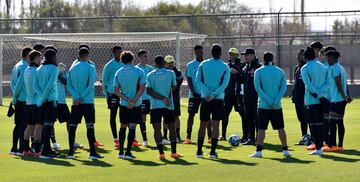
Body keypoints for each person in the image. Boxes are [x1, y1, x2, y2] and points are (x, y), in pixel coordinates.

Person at [249, 52, 291, 158]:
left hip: (263, 105)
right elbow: (283, 88)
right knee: (280, 128)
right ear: (273, 59)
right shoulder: (280, 71)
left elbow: (258, 89)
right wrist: (275, 101)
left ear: (263, 59)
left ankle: (259, 151)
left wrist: (269, 101)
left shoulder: (259, 71)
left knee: (261, 129)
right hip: (276, 105)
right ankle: (285, 150)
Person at [67, 48, 103, 159]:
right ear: (87, 55)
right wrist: (81, 97)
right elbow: (90, 85)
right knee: (90, 126)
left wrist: (76, 97)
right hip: (87, 101)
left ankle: (71, 153)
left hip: (76, 102)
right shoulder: (90, 67)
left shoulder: (72, 68)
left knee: (73, 126)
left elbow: (69, 86)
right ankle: (92, 152)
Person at [195, 44, 230, 159]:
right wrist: (214, 94)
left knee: (203, 124)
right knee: (215, 125)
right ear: (220, 53)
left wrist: (207, 92)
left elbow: (198, 81)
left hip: (205, 98)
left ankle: (199, 152)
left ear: (210, 52)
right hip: (217, 99)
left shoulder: (203, 64)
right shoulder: (225, 66)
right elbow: (224, 84)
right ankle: (212, 152)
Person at [146, 55, 183, 159]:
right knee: (172, 128)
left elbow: (148, 91)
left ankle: (161, 154)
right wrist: (166, 95)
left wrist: (161, 98)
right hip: (168, 105)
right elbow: (175, 86)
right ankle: (174, 153)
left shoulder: (150, 75)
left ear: (155, 64)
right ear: (164, 63)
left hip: (155, 106)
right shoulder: (171, 73)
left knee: (157, 129)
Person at [113, 51, 146, 159]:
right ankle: (128, 152)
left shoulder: (118, 72)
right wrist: (133, 100)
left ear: (122, 60)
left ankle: (121, 152)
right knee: (132, 127)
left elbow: (116, 91)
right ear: (132, 59)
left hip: (123, 104)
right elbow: (142, 88)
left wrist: (127, 100)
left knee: (123, 126)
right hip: (136, 104)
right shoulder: (139, 71)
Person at [301, 47, 330, 156]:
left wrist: (317, 94)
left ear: (305, 56)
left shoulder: (304, 68)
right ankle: (320, 146)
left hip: (311, 100)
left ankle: (318, 148)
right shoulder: (323, 67)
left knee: (314, 125)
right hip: (323, 99)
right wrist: (321, 95)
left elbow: (308, 85)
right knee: (321, 123)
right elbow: (328, 83)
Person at [33, 49, 60, 159]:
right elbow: (50, 85)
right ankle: (45, 152)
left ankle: (47, 149)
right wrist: (44, 97)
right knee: (48, 125)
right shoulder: (54, 68)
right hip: (50, 100)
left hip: (42, 101)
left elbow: (35, 86)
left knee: (45, 125)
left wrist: (41, 98)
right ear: (52, 57)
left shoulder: (39, 68)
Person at [323, 49, 352, 152]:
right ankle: (340, 146)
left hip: (336, 100)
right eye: (327, 58)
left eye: (330, 58)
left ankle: (332, 146)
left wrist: (344, 96)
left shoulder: (334, 68)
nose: (328, 60)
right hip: (341, 100)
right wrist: (346, 97)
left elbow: (338, 83)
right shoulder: (341, 68)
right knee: (340, 122)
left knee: (332, 122)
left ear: (335, 58)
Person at [183, 45, 212, 144]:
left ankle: (210, 137)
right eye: (197, 52)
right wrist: (194, 92)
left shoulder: (207, 64)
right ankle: (188, 137)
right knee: (191, 115)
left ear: (203, 52)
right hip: (193, 95)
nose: (199, 54)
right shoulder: (190, 65)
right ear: (194, 53)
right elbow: (189, 80)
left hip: (205, 95)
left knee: (207, 116)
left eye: (200, 52)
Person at [9, 47, 32, 156]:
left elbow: (12, 82)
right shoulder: (24, 66)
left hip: (19, 98)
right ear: (28, 54)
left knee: (18, 124)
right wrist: (15, 98)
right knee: (23, 125)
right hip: (23, 99)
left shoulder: (17, 65)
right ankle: (20, 148)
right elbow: (19, 84)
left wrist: (14, 96)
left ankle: (14, 148)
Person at [220, 48, 247, 141]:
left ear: (237, 55)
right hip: (227, 94)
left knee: (243, 114)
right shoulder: (226, 65)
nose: (231, 56)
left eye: (233, 54)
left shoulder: (242, 65)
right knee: (224, 115)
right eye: (230, 54)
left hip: (238, 95)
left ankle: (245, 135)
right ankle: (223, 135)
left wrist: (237, 73)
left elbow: (244, 78)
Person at [102, 46, 124, 148]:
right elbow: (105, 82)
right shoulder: (109, 65)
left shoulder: (124, 63)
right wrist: (107, 96)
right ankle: (116, 139)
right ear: (114, 53)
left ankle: (126, 137)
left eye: (121, 52)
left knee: (125, 115)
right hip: (113, 94)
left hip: (124, 94)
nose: (120, 53)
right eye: (119, 52)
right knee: (113, 116)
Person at [241, 48, 262, 145]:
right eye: (244, 55)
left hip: (255, 97)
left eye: (247, 54)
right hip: (247, 97)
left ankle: (259, 138)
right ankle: (251, 138)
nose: (245, 56)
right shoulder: (245, 67)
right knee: (248, 118)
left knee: (257, 118)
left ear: (253, 55)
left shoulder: (258, 67)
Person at [23, 50, 42, 157]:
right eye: (39, 58)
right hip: (36, 102)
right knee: (38, 126)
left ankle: (26, 150)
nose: (41, 60)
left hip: (28, 101)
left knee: (29, 126)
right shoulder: (36, 70)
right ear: (35, 58)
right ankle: (37, 150)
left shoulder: (27, 70)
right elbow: (37, 86)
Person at [135, 49, 154, 146]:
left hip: (151, 98)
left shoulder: (151, 69)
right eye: (144, 56)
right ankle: (145, 140)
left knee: (155, 118)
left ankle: (161, 138)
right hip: (141, 98)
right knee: (143, 119)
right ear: (139, 57)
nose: (146, 58)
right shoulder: (136, 69)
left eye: (147, 56)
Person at [292, 49, 310, 145]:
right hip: (297, 98)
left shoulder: (307, 67)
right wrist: (294, 94)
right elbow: (296, 83)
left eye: (300, 55)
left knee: (308, 118)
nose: (298, 57)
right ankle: (304, 137)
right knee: (301, 119)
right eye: (298, 55)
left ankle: (312, 138)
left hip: (306, 98)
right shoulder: (297, 68)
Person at [165, 55, 184, 143]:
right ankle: (165, 137)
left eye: (171, 63)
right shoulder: (163, 72)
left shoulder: (178, 72)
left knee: (176, 116)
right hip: (165, 98)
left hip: (175, 98)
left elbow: (176, 85)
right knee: (165, 117)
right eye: (168, 63)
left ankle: (178, 136)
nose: (170, 65)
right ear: (165, 64)